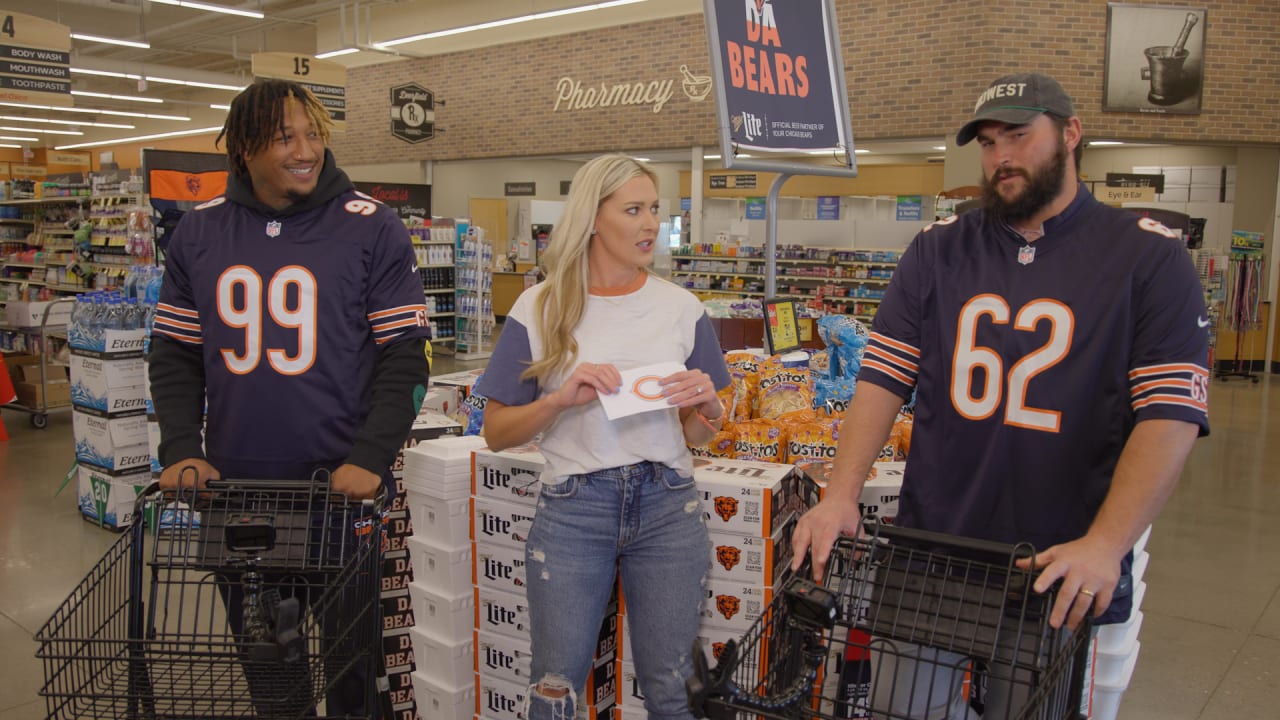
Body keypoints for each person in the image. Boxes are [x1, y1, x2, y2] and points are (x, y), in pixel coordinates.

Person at [790, 72, 1209, 717]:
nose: (1000, 157)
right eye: (987, 142)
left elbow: (1171, 415)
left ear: (1071, 134)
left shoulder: (1147, 259)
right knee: (900, 708)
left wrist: (1106, 544)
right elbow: (882, 378)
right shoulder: (937, 251)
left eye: (1018, 134)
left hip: (1056, 564)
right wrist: (841, 491)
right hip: (934, 547)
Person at [148, 78, 432, 716]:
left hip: (340, 493)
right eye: (284, 138)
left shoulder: (372, 227)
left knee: (354, 673)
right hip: (236, 497)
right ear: (244, 148)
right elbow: (174, 354)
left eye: (313, 135)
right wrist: (178, 449)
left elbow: (406, 356)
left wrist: (372, 454)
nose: (305, 150)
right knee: (268, 670)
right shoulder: (197, 235)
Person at [474, 154, 731, 720]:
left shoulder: (681, 308)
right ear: (593, 217)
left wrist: (708, 405)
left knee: (673, 688)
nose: (649, 224)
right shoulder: (539, 308)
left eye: (655, 211)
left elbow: (700, 435)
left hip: (668, 505)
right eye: (633, 210)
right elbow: (495, 431)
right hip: (574, 511)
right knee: (555, 685)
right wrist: (560, 399)